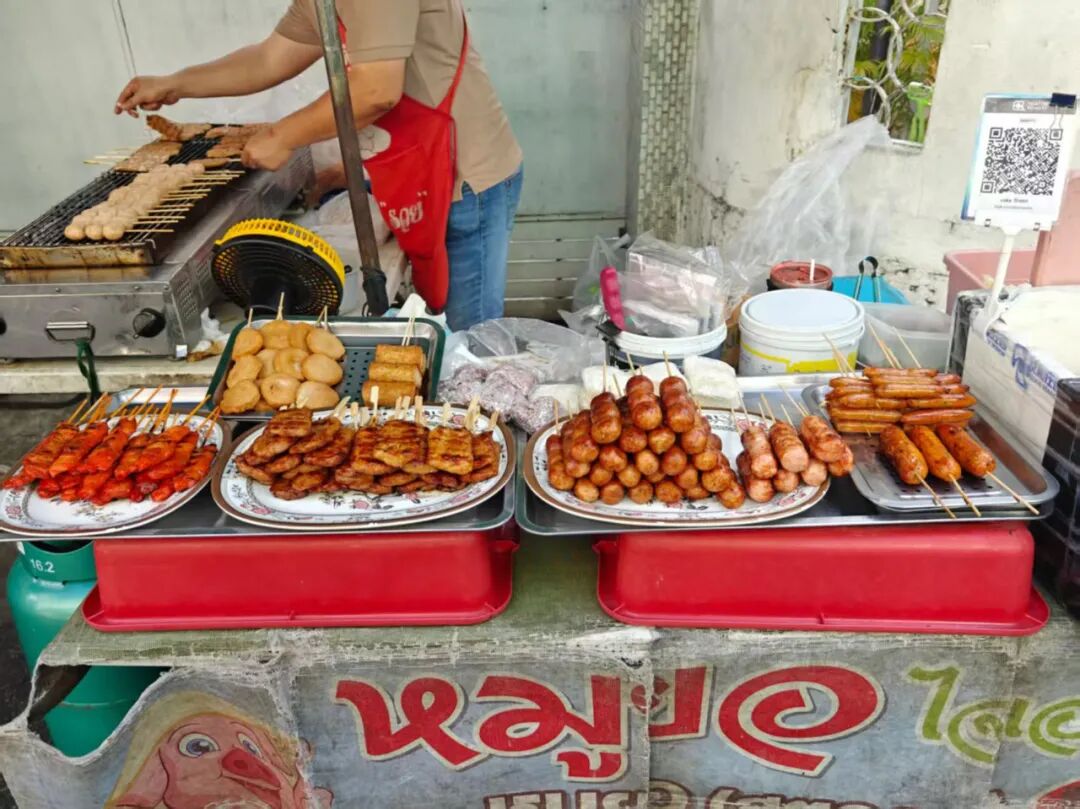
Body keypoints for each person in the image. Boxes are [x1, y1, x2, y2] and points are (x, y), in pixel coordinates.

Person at [115, 0, 523, 331]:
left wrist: (283, 136)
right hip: (417, 168)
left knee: (470, 338)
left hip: (466, 177)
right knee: (440, 324)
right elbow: (267, 59)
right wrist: (174, 83)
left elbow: (376, 90)